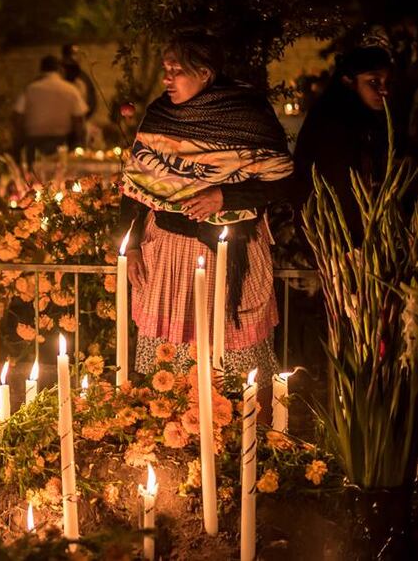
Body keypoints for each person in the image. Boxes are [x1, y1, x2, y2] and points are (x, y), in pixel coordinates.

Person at [120, 31, 294, 387]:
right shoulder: (160, 116)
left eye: (176, 70)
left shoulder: (247, 115)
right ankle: (177, 433)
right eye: (166, 69)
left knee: (236, 368)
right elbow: (136, 186)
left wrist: (224, 198)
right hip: (169, 253)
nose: (167, 78)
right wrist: (132, 245)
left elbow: (282, 179)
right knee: (170, 371)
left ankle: (244, 435)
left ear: (205, 72)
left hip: (231, 251)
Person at [294, 46, 393, 244]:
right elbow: (339, 187)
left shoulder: (368, 120)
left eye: (386, 82)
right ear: (348, 81)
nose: (384, 90)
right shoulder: (333, 123)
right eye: (373, 81)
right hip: (336, 238)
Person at [12, 55, 88, 168]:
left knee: (33, 179)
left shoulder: (30, 89)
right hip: (62, 143)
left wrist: (19, 139)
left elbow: (17, 115)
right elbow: (79, 119)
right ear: (60, 69)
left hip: (34, 143)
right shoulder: (71, 89)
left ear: (41, 69)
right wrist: (80, 142)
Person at [61, 44, 98, 119]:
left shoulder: (82, 76)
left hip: (81, 117)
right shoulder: (59, 74)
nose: (78, 57)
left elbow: (92, 98)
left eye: (78, 54)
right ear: (65, 56)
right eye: (74, 54)